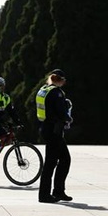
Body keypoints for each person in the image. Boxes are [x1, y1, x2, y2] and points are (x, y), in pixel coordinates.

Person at [36, 69, 72, 203]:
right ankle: (45, 195)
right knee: (51, 163)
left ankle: (58, 191)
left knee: (64, 159)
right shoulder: (56, 93)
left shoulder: (44, 89)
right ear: (60, 80)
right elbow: (62, 112)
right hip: (54, 130)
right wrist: (68, 116)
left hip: (47, 128)